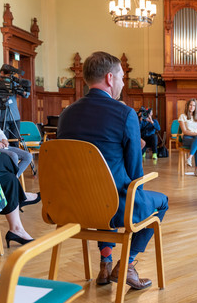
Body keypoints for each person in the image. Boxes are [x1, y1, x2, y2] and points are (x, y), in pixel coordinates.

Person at [57, 51, 168, 290]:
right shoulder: (125, 113)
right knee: (159, 201)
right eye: (121, 78)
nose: (122, 83)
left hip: (69, 206)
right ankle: (126, 264)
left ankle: (105, 263)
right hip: (112, 206)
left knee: (98, 191)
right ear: (109, 78)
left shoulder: (65, 115)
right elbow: (135, 173)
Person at [0, 64, 29, 147]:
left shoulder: (13, 82)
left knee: (15, 142)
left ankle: (16, 159)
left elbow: (26, 94)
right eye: (7, 75)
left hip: (14, 117)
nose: (9, 77)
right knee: (4, 142)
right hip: (1, 117)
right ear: (1, 73)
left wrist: (23, 91)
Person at [178, 98, 197, 177]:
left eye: (194, 105)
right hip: (187, 139)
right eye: (190, 105)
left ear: (195, 107)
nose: (192, 107)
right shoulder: (182, 116)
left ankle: (190, 158)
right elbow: (184, 131)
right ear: (187, 106)